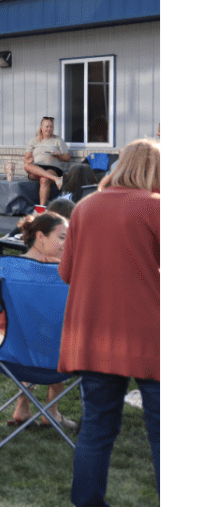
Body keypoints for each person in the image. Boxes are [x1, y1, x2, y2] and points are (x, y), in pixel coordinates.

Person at [59, 138, 160, 506]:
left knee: (97, 429)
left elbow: (66, 273)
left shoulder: (84, 209)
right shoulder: (158, 208)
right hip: (151, 339)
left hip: (94, 336)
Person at [0, 212, 74, 429]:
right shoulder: (69, 275)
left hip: (9, 353)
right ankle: (51, 411)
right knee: (56, 337)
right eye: (63, 237)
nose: (68, 244)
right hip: (59, 359)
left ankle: (23, 407)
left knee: (30, 336)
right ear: (41, 236)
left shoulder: (8, 270)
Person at [23, 116, 71, 207]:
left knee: (44, 179)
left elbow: (67, 158)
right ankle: (57, 179)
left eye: (51, 127)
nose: (49, 129)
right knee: (26, 166)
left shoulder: (58, 140)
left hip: (53, 168)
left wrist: (58, 156)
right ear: (41, 127)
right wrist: (29, 160)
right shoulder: (34, 141)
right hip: (37, 167)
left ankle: (41, 207)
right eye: (47, 126)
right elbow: (26, 158)